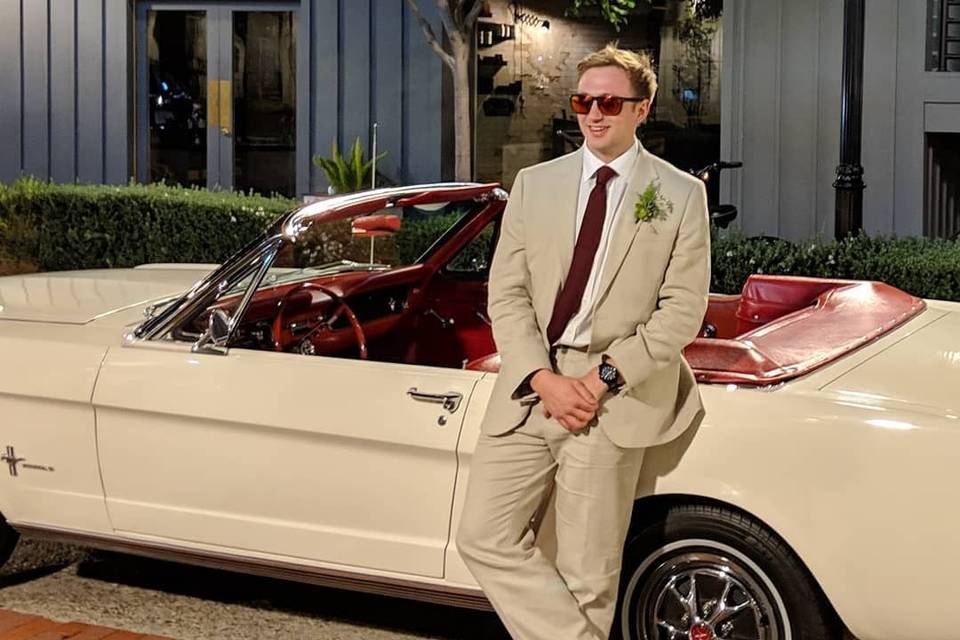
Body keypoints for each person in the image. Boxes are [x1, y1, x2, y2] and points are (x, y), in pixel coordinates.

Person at [455, 43, 711, 639]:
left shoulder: (678, 194)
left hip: (612, 395)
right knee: (482, 536)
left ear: (640, 109)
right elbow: (508, 294)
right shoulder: (534, 184)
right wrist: (542, 377)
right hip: (531, 389)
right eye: (583, 101)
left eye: (610, 102)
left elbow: (680, 313)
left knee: (588, 576)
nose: (594, 114)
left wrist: (600, 382)